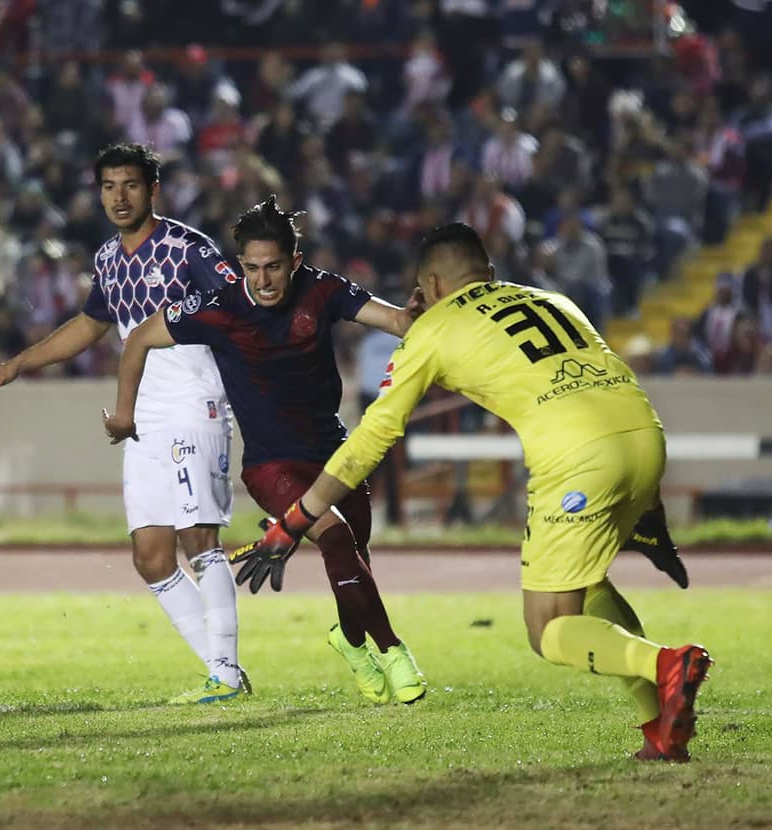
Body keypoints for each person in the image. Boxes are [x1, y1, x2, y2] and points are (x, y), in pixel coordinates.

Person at [232, 223, 711, 762]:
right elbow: (602, 387)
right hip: (646, 438)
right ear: (488, 273)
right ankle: (658, 728)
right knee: (588, 585)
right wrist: (650, 515)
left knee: (549, 629)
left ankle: (667, 664)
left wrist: (297, 518)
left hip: (576, 460)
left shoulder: (432, 331)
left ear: (432, 285)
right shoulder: (552, 300)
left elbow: (371, 439)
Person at [103, 196, 428, 705]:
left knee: (353, 559)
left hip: (336, 455)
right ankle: (392, 649)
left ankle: (351, 640)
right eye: (252, 268)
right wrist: (125, 413)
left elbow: (396, 323)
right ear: (240, 265)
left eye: (273, 266)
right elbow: (140, 338)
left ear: (294, 261)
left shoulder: (321, 289)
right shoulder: (217, 307)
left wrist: (413, 316)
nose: (263, 279)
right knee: (337, 539)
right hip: (272, 466)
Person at [0, 143, 246, 704]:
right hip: (143, 416)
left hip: (194, 404)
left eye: (130, 185)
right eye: (108, 186)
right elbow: (90, 324)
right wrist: (19, 364)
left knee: (199, 539)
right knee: (151, 557)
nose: (119, 197)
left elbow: (239, 307)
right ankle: (221, 671)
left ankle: (224, 672)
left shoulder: (187, 248)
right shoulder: (107, 259)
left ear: (153, 190)